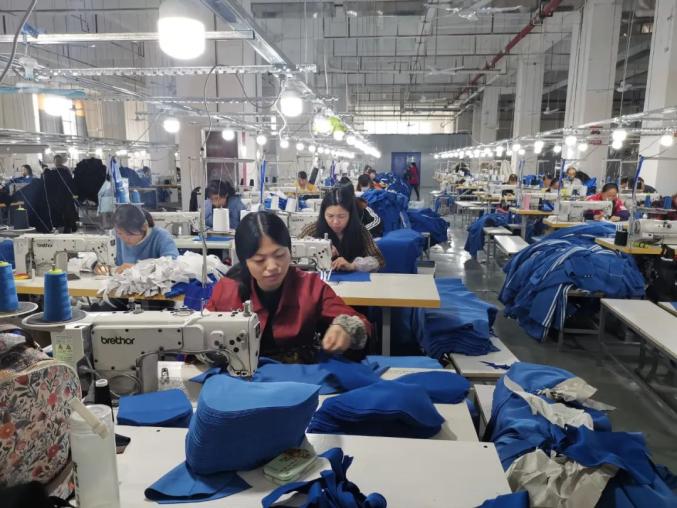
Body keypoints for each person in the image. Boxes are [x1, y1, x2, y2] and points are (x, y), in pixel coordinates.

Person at [206, 212, 370, 363]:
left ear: (290, 251)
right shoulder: (227, 290)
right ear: (244, 262)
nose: (272, 266)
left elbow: (361, 323)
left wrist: (346, 328)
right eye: (259, 260)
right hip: (241, 379)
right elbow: (201, 334)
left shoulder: (311, 287)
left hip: (298, 374)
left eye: (280, 255)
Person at [299, 185, 385, 272]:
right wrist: (315, 248)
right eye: (330, 216)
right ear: (323, 214)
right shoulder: (312, 229)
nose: (335, 222)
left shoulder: (360, 230)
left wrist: (354, 265)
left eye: (341, 216)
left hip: (353, 279)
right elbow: (294, 254)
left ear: (350, 215)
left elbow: (378, 259)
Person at [100, 204, 179, 274]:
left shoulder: (161, 236)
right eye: (120, 233)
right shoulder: (115, 236)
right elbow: (109, 261)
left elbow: (173, 263)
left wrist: (138, 268)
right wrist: (97, 265)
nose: (124, 239)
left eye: (129, 234)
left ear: (144, 227)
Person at [44, 154, 78, 233]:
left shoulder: (63, 171)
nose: (58, 162)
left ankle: (66, 226)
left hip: (62, 196)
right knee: (66, 211)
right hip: (61, 196)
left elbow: (70, 183)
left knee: (65, 212)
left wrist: (74, 195)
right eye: (57, 160)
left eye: (58, 160)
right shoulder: (58, 171)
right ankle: (68, 226)